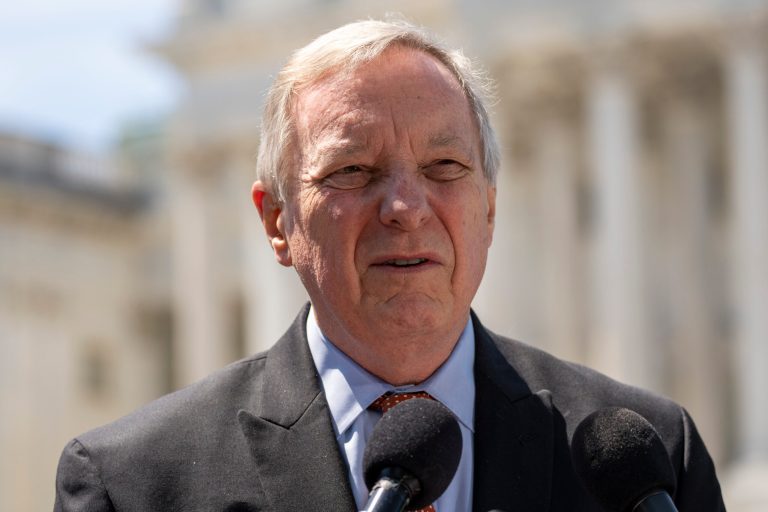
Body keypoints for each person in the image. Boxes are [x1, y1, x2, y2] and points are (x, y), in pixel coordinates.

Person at [54, 19, 725, 512]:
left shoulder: (655, 464)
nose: (406, 207)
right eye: (353, 171)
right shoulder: (133, 485)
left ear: (489, 209)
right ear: (276, 221)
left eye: (445, 168)